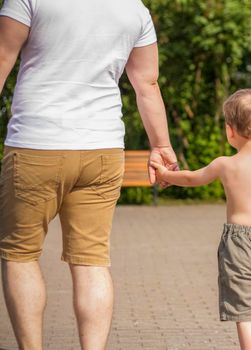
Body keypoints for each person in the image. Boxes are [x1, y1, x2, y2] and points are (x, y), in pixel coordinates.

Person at [0, 0, 177, 349]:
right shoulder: (134, 9)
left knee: (20, 255)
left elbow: (3, 58)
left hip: (37, 143)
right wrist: (161, 145)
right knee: (91, 261)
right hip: (103, 149)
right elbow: (147, 84)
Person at [151, 89, 251, 350]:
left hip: (238, 246)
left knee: (243, 312)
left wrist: (165, 174)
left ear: (229, 130)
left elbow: (191, 178)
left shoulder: (225, 164)